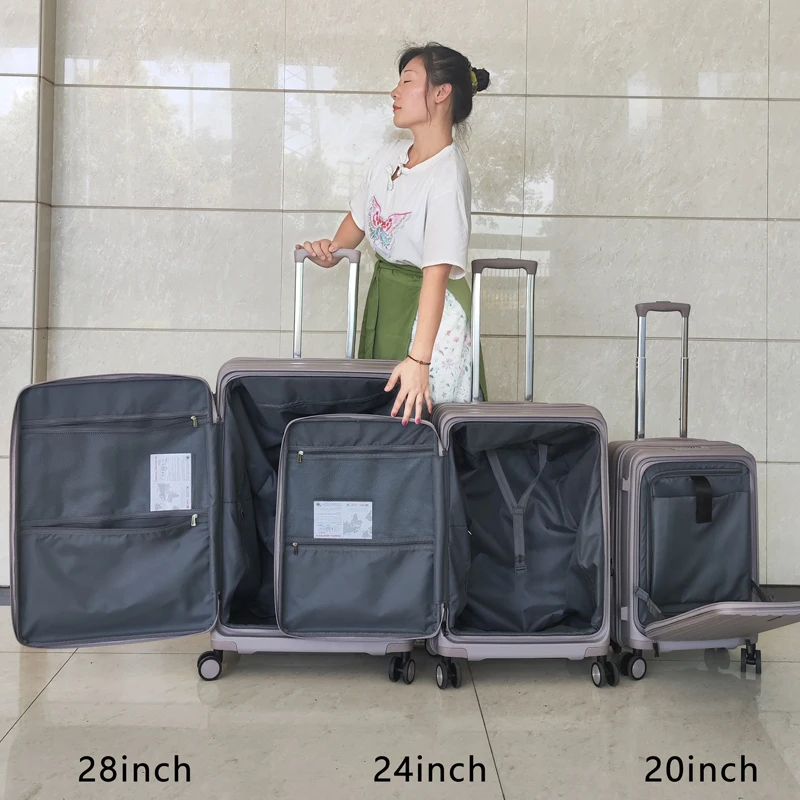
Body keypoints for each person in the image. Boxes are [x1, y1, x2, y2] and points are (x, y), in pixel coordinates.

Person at [297, 42, 490, 425]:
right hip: (386, 298)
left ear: (441, 92)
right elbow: (358, 224)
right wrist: (330, 251)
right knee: (382, 420)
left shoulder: (447, 176)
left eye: (407, 81)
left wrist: (420, 359)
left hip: (431, 317)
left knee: (421, 426)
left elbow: (436, 275)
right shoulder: (389, 156)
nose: (394, 92)